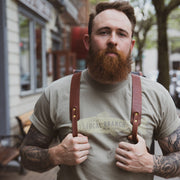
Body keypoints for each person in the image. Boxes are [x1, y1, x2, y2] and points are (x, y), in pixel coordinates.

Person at [20, 1, 180, 179]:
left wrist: (150, 163)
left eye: (121, 34)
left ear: (131, 45)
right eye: (104, 32)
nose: (112, 40)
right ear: (87, 42)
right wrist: (56, 154)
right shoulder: (56, 93)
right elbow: (26, 155)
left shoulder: (156, 95)